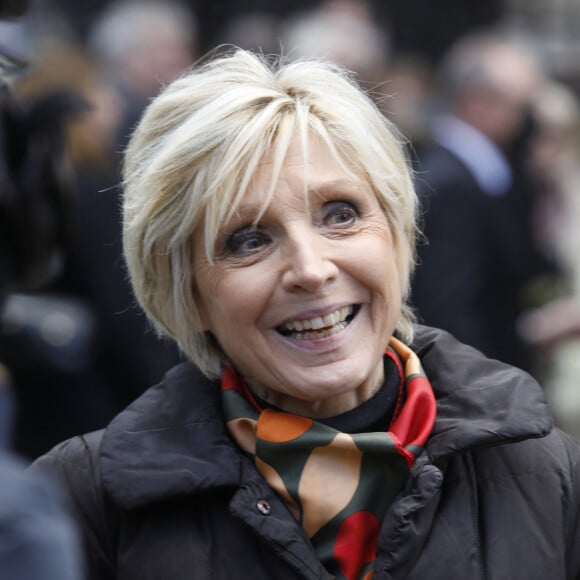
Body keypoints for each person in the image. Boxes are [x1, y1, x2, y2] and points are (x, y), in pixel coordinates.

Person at [31, 48, 580, 580]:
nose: (312, 270)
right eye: (248, 240)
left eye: (340, 215)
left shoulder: (549, 475)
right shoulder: (81, 502)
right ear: (187, 291)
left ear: (395, 234)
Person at [411, 32, 557, 374]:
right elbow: (449, 309)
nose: (527, 123)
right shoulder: (451, 183)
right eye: (521, 108)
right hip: (475, 388)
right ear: (477, 101)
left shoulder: (474, 172)